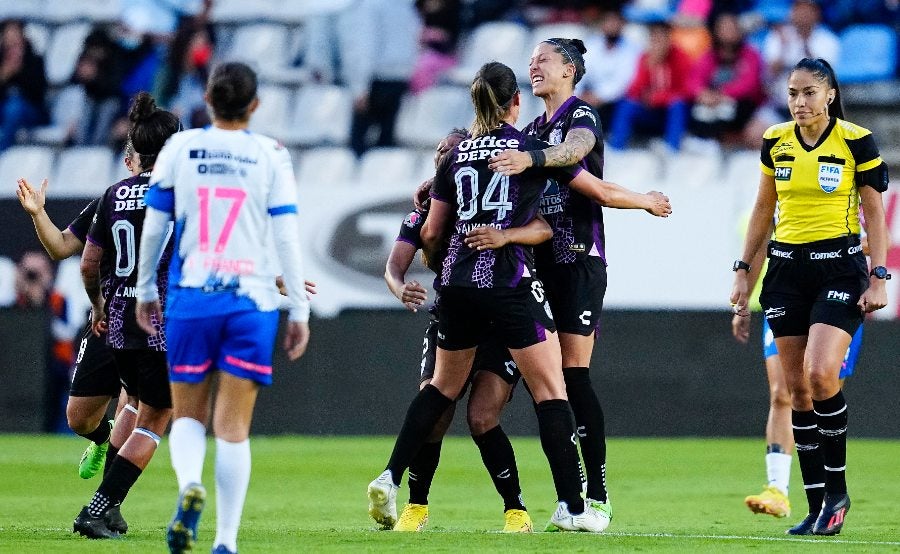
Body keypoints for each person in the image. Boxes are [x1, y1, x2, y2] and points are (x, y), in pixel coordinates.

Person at [367, 60, 669, 534]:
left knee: (441, 389)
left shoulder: (456, 156)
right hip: (508, 284)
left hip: (456, 286)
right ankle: (573, 504)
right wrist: (646, 201)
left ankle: (390, 476)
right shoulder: (529, 149)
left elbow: (430, 230)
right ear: (515, 102)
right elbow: (598, 190)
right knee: (553, 388)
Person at [488, 37, 672, 531]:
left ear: (569, 70)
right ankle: (569, 499)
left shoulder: (580, 116)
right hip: (533, 264)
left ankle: (598, 497)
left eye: (543, 60)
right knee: (541, 383)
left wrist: (643, 200)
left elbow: (578, 154)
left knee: (573, 375)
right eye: (530, 62)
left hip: (576, 263)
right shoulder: (528, 129)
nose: (534, 67)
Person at [135, 62, 311, 554]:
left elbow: (155, 228)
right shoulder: (271, 154)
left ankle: (190, 483)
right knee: (233, 428)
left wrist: (146, 289)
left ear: (208, 101)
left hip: (192, 295)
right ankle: (226, 542)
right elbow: (286, 236)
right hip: (251, 300)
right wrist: (298, 309)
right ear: (254, 105)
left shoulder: (179, 149)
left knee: (186, 415)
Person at [730, 57, 890, 536]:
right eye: (793, 93)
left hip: (838, 266)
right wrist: (743, 271)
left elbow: (875, 214)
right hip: (784, 272)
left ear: (830, 95)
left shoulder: (856, 141)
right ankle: (817, 503)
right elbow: (763, 208)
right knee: (796, 390)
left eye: (809, 93)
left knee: (821, 375)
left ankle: (837, 492)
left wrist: (878, 276)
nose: (799, 102)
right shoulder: (774, 141)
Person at [386, 129, 548, 533]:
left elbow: (541, 226)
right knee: (436, 408)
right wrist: (399, 287)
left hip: (499, 319)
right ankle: (416, 507)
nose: (444, 156)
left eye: (451, 151)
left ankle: (516, 510)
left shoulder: (497, 203)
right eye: (440, 151)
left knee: (481, 416)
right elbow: (395, 265)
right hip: (453, 312)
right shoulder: (428, 208)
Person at [72, 92, 181, 539]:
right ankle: (98, 508)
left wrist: (98, 307)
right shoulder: (176, 193)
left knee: (133, 408)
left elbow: (87, 263)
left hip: (116, 322)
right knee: (156, 418)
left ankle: (109, 506)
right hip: (158, 322)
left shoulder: (114, 194)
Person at [17, 176, 139, 524]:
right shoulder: (112, 200)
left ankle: (108, 505)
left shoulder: (177, 200)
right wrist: (38, 213)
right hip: (107, 317)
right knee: (80, 418)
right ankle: (102, 439)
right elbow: (61, 247)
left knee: (135, 404)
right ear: (130, 162)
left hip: (153, 322)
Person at [733, 234, 864, 520]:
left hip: (835, 293)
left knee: (820, 389)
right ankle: (777, 489)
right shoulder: (780, 195)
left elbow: (876, 240)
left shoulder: (848, 198)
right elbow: (759, 244)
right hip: (787, 293)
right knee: (784, 392)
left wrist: (828, 247)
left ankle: (831, 495)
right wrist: (743, 303)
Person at [343, 0, 420, 156]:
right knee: (386, 141)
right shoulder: (406, 7)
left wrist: (360, 87)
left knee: (358, 144)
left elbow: (366, 46)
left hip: (376, 79)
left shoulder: (371, 6)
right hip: (399, 78)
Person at [607, 20, 692, 152]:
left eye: (662, 37)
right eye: (654, 37)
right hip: (649, 111)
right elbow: (634, 90)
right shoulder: (644, 58)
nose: (658, 42)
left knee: (678, 104)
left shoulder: (680, 58)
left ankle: (672, 149)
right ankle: (616, 148)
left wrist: (659, 97)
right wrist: (649, 66)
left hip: (669, 112)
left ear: (669, 38)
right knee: (627, 104)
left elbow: (686, 90)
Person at [685, 11, 765, 148]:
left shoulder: (750, 55)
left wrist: (722, 94)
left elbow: (749, 84)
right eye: (724, 28)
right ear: (716, 32)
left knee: (732, 109)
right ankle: (704, 142)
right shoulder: (709, 56)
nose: (729, 33)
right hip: (713, 102)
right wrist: (702, 93)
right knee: (696, 109)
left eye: (732, 28)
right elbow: (693, 81)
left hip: (741, 104)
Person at [576, 8, 642, 131]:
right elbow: (579, 72)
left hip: (614, 98)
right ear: (602, 24)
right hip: (588, 94)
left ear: (622, 25)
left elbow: (623, 81)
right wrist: (579, 94)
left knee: (626, 103)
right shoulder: (591, 44)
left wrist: (598, 96)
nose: (612, 26)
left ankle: (615, 144)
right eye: (609, 22)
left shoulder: (631, 49)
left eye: (616, 22)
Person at [0, 19, 48, 151]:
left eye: (15, 34)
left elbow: (38, 93)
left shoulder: (34, 60)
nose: (12, 40)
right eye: (8, 35)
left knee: (15, 107)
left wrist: (20, 72)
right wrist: (4, 78)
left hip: (32, 111)